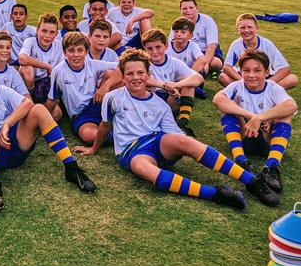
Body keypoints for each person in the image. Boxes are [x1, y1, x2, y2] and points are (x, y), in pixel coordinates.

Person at [81, 48, 280, 209]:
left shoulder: (160, 105)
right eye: (130, 74)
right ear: (123, 77)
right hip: (130, 151)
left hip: (157, 141)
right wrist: (93, 148)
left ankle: (253, 181)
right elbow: (105, 126)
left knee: (185, 141)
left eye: (140, 73)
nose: (136, 77)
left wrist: (188, 144)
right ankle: (217, 194)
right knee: (146, 170)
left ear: (148, 75)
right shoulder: (112, 98)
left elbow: (174, 133)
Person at [0, 56, 96, 213]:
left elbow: (27, 103)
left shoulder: (3, 90)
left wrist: (7, 123)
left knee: (39, 109)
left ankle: (72, 168)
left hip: (14, 142)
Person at [213, 50, 297, 194]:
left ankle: (271, 166)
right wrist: (251, 116)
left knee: (285, 114)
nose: (251, 75)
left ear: (266, 72)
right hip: (244, 135)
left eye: (257, 70)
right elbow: (218, 99)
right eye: (246, 70)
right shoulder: (237, 85)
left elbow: (292, 106)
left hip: (267, 138)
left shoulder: (273, 87)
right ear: (240, 71)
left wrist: (262, 118)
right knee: (227, 107)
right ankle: (241, 160)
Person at [45, 32, 119, 150]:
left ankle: (123, 121)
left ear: (86, 52)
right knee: (89, 135)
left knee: (112, 74)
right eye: (71, 50)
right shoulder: (58, 71)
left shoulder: (92, 64)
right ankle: (121, 134)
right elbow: (52, 99)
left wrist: (105, 86)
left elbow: (123, 66)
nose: (76, 55)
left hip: (97, 102)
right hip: (80, 114)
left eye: (80, 50)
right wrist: (41, 123)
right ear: (64, 52)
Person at [141, 29, 204, 136]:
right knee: (145, 86)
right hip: (152, 102)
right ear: (144, 49)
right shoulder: (143, 63)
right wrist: (165, 86)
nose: (154, 52)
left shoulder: (174, 62)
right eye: (150, 48)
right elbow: (145, 79)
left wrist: (176, 85)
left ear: (166, 46)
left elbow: (199, 78)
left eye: (158, 47)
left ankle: (183, 120)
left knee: (188, 83)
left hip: (171, 100)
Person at [220, 13, 297, 90]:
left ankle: (260, 91)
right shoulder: (235, 44)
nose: (246, 30)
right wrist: (243, 81)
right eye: (242, 27)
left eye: (250, 27)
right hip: (245, 77)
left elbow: (285, 69)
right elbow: (226, 67)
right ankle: (254, 92)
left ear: (257, 28)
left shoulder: (267, 44)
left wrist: (267, 83)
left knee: (292, 79)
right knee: (223, 77)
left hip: (264, 78)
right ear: (238, 30)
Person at [18, 13, 63, 108]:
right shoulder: (30, 41)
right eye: (44, 31)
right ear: (37, 30)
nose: (47, 36)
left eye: (52, 32)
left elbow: (61, 70)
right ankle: (28, 101)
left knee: (57, 114)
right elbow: (22, 59)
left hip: (46, 83)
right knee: (27, 70)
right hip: (29, 83)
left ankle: (38, 112)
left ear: (56, 34)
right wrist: (47, 66)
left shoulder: (59, 46)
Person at [170, 0, 222, 75]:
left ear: (197, 8)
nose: (188, 11)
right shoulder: (178, 23)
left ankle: (194, 71)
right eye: (184, 8)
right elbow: (171, 42)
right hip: (186, 51)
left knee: (215, 63)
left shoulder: (207, 21)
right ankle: (194, 72)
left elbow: (212, 45)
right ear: (180, 10)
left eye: (191, 8)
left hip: (204, 52)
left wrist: (206, 63)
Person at [0, 31, 29, 97]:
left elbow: (25, 94)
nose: (5, 50)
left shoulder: (12, 71)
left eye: (8, 47)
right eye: (1, 47)